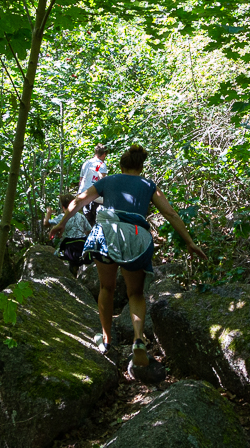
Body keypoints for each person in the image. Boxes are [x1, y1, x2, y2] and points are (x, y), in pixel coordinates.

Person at [52, 144, 205, 365]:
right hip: (136, 236)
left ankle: (106, 340)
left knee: (106, 288)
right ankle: (138, 339)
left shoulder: (108, 181)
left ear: (122, 166)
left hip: (106, 234)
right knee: (135, 294)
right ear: (141, 167)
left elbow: (78, 201)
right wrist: (189, 241)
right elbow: (170, 213)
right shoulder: (149, 185)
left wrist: (62, 224)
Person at [45, 193, 90, 272]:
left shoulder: (62, 217)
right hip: (82, 246)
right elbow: (89, 231)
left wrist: (48, 213)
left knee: (54, 257)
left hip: (68, 246)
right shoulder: (81, 216)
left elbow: (46, 223)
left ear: (63, 207)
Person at [77, 144, 109, 226]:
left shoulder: (86, 163)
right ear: (104, 154)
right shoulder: (102, 165)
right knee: (98, 220)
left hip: (84, 194)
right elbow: (103, 182)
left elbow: (81, 181)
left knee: (87, 221)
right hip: (95, 194)